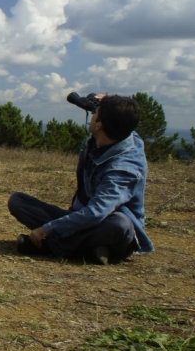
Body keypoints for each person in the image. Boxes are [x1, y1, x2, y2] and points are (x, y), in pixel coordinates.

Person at [9, 95, 153, 264]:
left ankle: (52, 248)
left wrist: (47, 229)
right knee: (18, 201)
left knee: (120, 224)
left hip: (107, 225)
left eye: (95, 113)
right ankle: (91, 249)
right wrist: (103, 102)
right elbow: (121, 116)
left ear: (99, 125)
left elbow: (96, 213)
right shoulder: (123, 131)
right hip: (80, 216)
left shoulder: (123, 168)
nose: (92, 115)